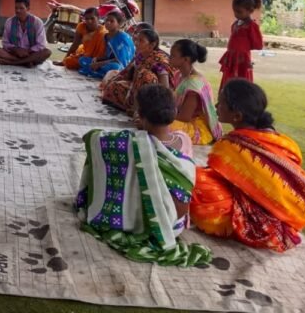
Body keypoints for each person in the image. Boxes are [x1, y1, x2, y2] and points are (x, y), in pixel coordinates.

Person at [75, 84, 209, 267]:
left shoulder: (126, 143)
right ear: (174, 111)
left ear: (141, 115)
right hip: (172, 226)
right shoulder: (183, 141)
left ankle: (126, 214)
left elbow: (92, 138)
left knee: (106, 161)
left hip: (137, 224)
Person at [190, 80, 305, 252]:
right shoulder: (282, 141)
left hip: (258, 222)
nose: (217, 106)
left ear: (237, 116)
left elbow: (219, 175)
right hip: (288, 215)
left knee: (193, 179)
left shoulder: (229, 147)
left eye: (222, 103)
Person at [100, 28, 178, 114]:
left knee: (145, 75)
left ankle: (140, 110)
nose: (136, 43)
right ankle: (134, 107)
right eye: (136, 39)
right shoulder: (140, 55)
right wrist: (112, 82)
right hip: (136, 91)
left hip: (154, 97)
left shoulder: (159, 59)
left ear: (152, 45)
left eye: (141, 41)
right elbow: (126, 72)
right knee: (114, 86)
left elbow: (165, 88)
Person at [169, 39, 222, 145]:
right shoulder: (179, 75)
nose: (169, 58)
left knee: (158, 125)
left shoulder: (193, 83)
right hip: (182, 120)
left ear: (185, 59)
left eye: (173, 56)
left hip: (196, 127)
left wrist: (159, 116)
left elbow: (185, 117)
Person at [0, 0, 51, 67]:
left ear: (28, 8)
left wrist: (27, 51)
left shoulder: (37, 22)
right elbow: (5, 43)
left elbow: (41, 44)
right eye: (16, 8)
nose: (18, 10)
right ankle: (26, 62)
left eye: (21, 8)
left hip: (31, 53)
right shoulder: (9, 22)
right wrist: (16, 49)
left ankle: (13, 62)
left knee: (47, 52)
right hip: (14, 53)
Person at [219, 0, 264, 92]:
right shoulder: (236, 24)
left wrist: (243, 49)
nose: (236, 14)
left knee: (241, 82)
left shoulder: (252, 26)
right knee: (229, 80)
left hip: (242, 60)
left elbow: (258, 44)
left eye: (239, 12)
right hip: (231, 57)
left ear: (250, 11)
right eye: (235, 11)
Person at [79, 10, 135, 79]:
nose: (108, 23)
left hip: (121, 66)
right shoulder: (106, 36)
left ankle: (96, 72)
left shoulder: (122, 38)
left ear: (119, 24)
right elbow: (107, 55)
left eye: (111, 21)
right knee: (82, 60)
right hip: (108, 63)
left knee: (115, 67)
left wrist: (99, 64)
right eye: (106, 20)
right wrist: (97, 59)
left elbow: (121, 60)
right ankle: (100, 72)